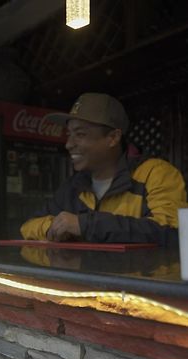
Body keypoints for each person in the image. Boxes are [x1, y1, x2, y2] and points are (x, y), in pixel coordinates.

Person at [21, 92, 188, 245]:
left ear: (113, 138)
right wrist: (53, 228)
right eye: (69, 135)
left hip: (138, 278)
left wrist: (86, 225)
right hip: (86, 278)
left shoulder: (156, 173)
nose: (68, 144)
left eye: (80, 134)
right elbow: (28, 226)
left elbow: (172, 232)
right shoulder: (74, 185)